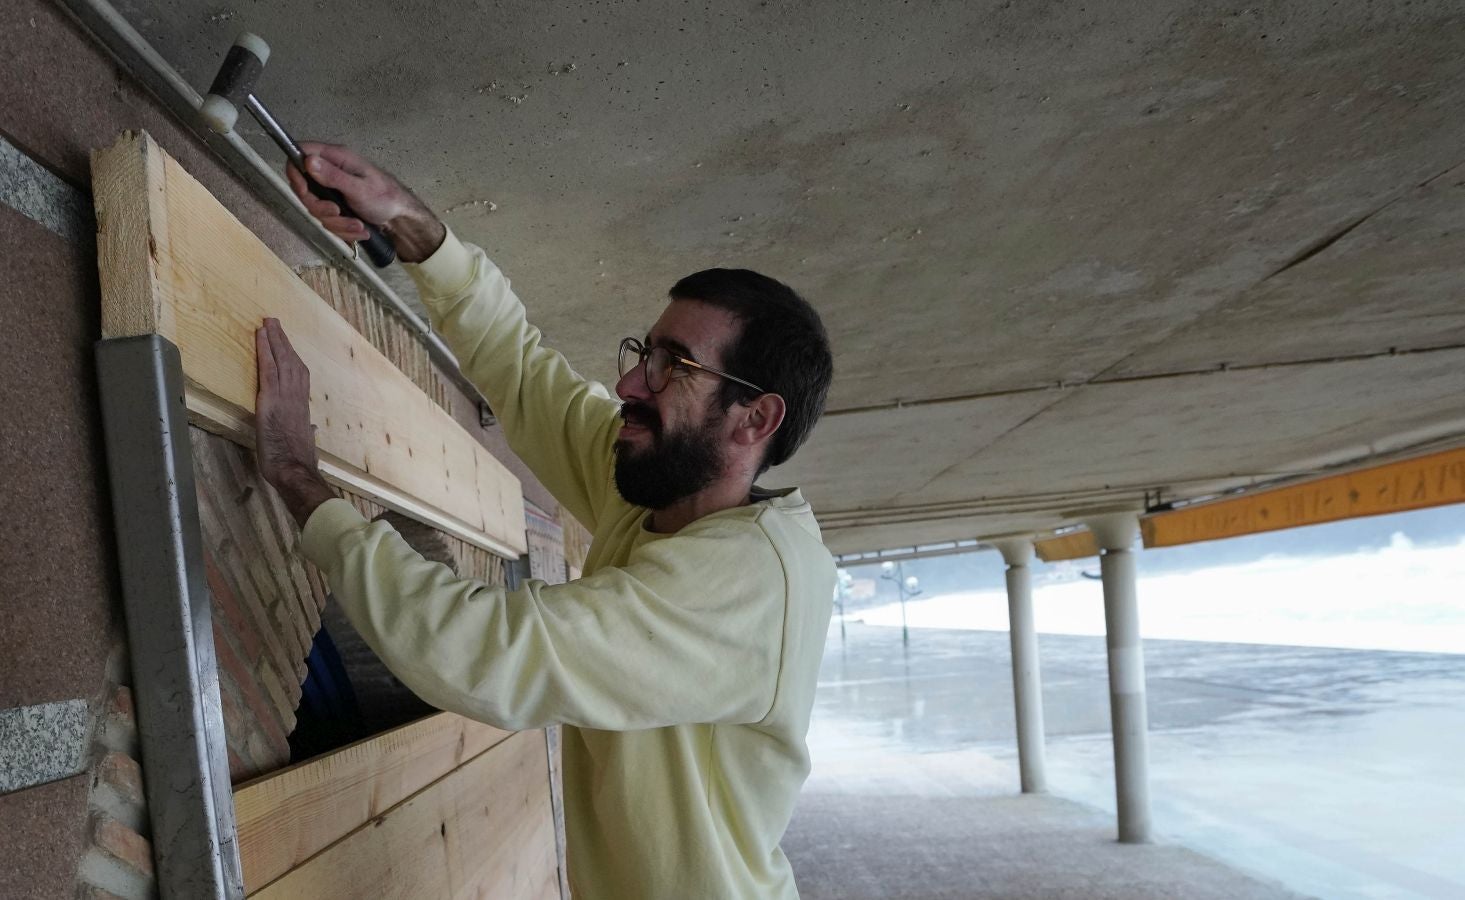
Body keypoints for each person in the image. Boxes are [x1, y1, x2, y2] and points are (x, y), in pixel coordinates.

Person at [252, 143, 837, 899]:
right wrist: (410, 223)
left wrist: (299, 480)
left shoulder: (750, 585)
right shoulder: (663, 484)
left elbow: (482, 652)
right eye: (645, 353)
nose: (630, 383)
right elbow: (526, 376)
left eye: (674, 366)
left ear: (754, 418)